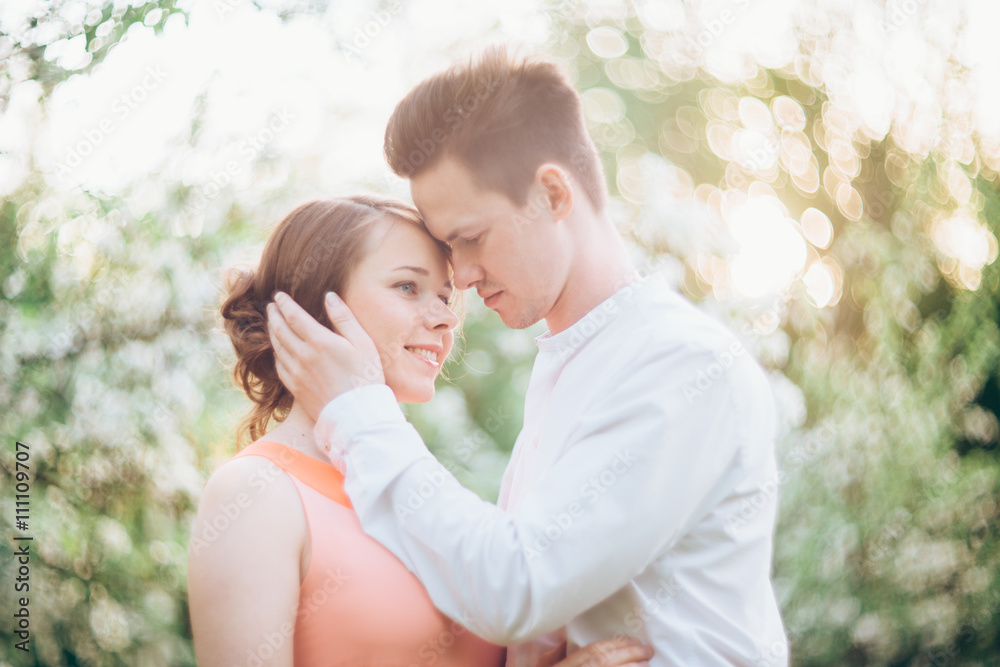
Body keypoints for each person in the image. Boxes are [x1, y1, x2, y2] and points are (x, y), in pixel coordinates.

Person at [265, 46, 789, 666]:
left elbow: (516, 587)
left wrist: (357, 410)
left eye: (470, 238)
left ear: (552, 194)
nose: (457, 277)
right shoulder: (569, 365)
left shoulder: (680, 365)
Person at [186, 195, 655, 667]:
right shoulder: (254, 494)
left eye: (446, 296)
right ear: (312, 307)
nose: (446, 318)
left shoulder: (424, 490)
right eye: (408, 287)